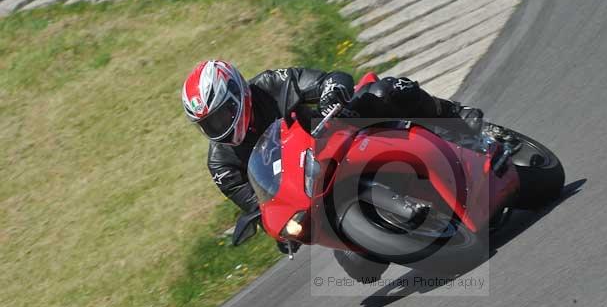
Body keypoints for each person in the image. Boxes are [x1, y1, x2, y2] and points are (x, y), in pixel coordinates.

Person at [181, 60, 484, 221]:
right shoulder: (221, 164)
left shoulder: (271, 84)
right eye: (209, 124)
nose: (218, 127)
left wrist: (330, 91)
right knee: (362, 270)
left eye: (221, 115)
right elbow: (257, 207)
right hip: (313, 196)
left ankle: (453, 116)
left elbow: (329, 78)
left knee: (385, 91)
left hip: (336, 136)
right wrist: (264, 222)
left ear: (237, 95)